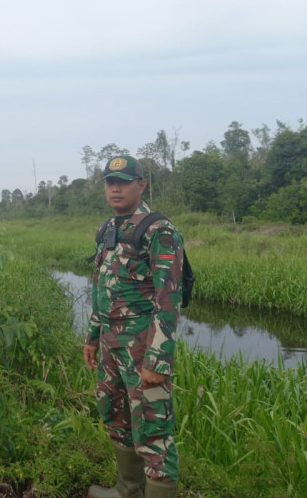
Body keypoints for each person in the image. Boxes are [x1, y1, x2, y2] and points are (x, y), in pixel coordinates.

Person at [83, 156, 184, 498]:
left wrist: (158, 359)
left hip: (143, 345)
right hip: (111, 344)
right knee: (113, 413)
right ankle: (127, 489)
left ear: (141, 185)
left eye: (124, 181)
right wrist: (93, 336)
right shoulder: (107, 229)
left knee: (153, 429)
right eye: (110, 181)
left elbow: (168, 298)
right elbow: (101, 287)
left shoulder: (159, 230)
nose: (115, 187)